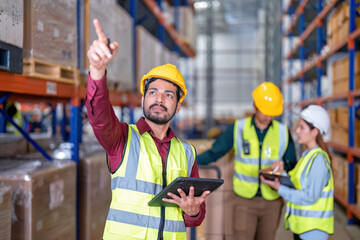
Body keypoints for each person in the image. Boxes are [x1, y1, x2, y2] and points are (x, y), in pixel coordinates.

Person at [85, 19, 209, 240]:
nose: (159, 99)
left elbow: (195, 214)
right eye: (153, 92)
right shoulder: (121, 138)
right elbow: (99, 117)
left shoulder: (187, 152)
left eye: (169, 95)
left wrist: (193, 211)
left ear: (178, 106)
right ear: (143, 98)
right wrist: (97, 69)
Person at [197, 82, 297, 240]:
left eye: (272, 113)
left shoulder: (283, 132)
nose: (268, 117)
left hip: (272, 201)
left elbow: (292, 166)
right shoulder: (238, 128)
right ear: (255, 106)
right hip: (244, 200)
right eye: (265, 112)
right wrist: (189, 160)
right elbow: (215, 152)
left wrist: (283, 167)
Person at [261, 105, 334, 240]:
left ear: (315, 132)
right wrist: (279, 174)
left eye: (302, 128)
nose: (297, 131)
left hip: (313, 230)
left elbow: (310, 196)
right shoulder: (307, 155)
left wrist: (279, 188)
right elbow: (296, 182)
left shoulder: (318, 160)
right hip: (303, 227)